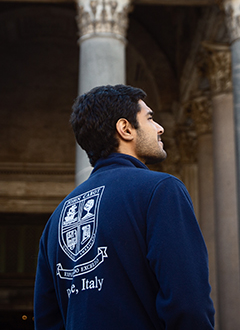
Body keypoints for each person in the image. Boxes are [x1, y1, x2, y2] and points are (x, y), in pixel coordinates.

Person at [34, 84, 215, 330]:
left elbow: (47, 321)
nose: (160, 128)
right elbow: (188, 303)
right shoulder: (161, 190)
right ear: (125, 129)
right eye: (150, 118)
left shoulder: (58, 216)